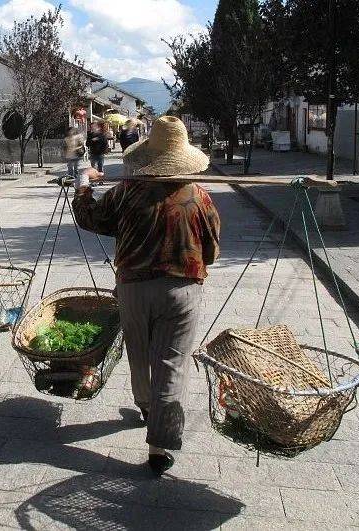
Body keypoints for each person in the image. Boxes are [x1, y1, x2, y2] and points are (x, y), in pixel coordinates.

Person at [71, 115, 221, 476]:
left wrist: (82, 183)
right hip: (181, 291)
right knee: (171, 363)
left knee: (139, 353)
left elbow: (92, 219)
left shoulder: (127, 192)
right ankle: (159, 445)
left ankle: (146, 406)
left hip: (133, 289)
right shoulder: (199, 198)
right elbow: (212, 251)